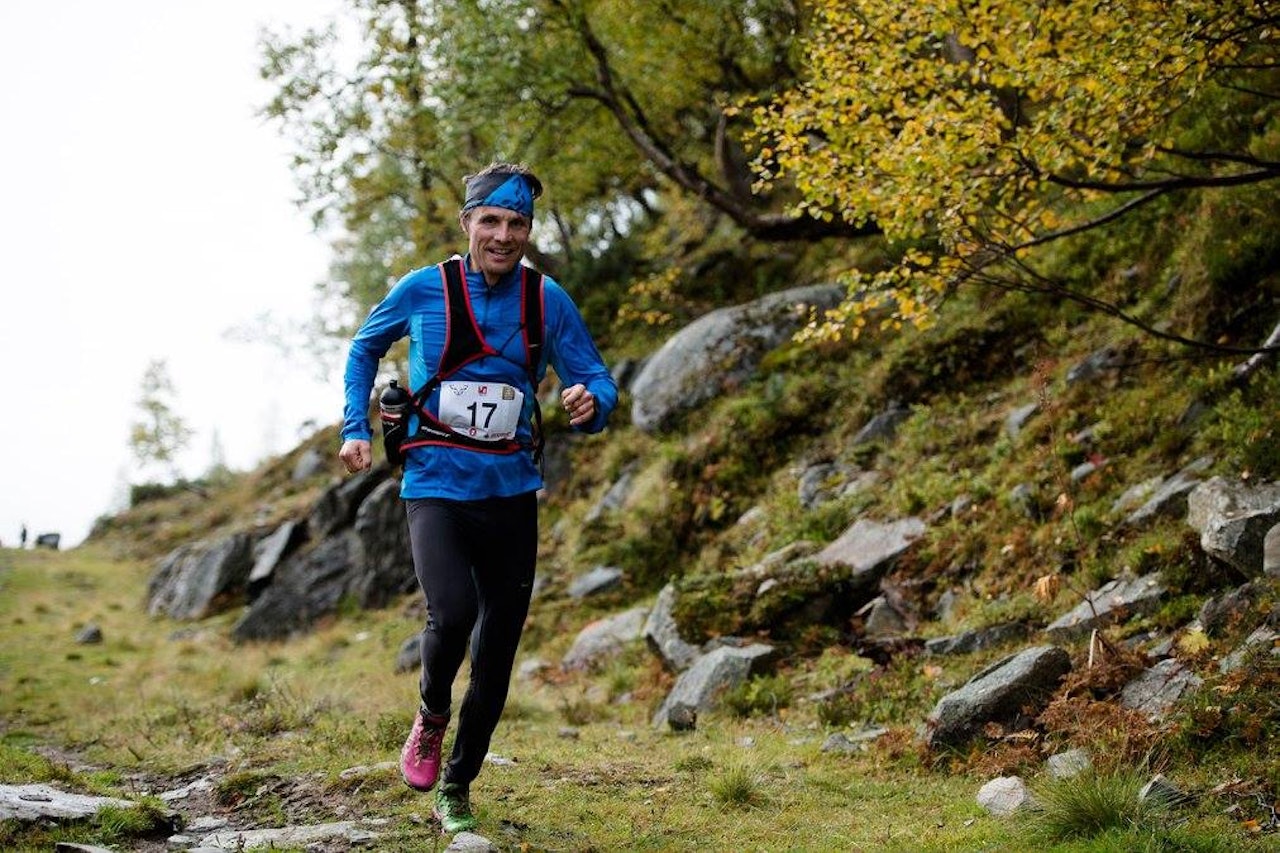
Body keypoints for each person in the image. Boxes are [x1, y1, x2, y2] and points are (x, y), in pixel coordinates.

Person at [337, 162, 617, 835]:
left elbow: (597, 378)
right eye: (490, 220)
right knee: (454, 612)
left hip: (511, 490)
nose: (503, 235)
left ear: (528, 230)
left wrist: (592, 402)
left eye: (517, 223)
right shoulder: (423, 289)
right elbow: (364, 348)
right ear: (467, 222)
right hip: (435, 482)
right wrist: (354, 426)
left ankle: (457, 786)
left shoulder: (547, 300)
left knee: (497, 653)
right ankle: (432, 713)